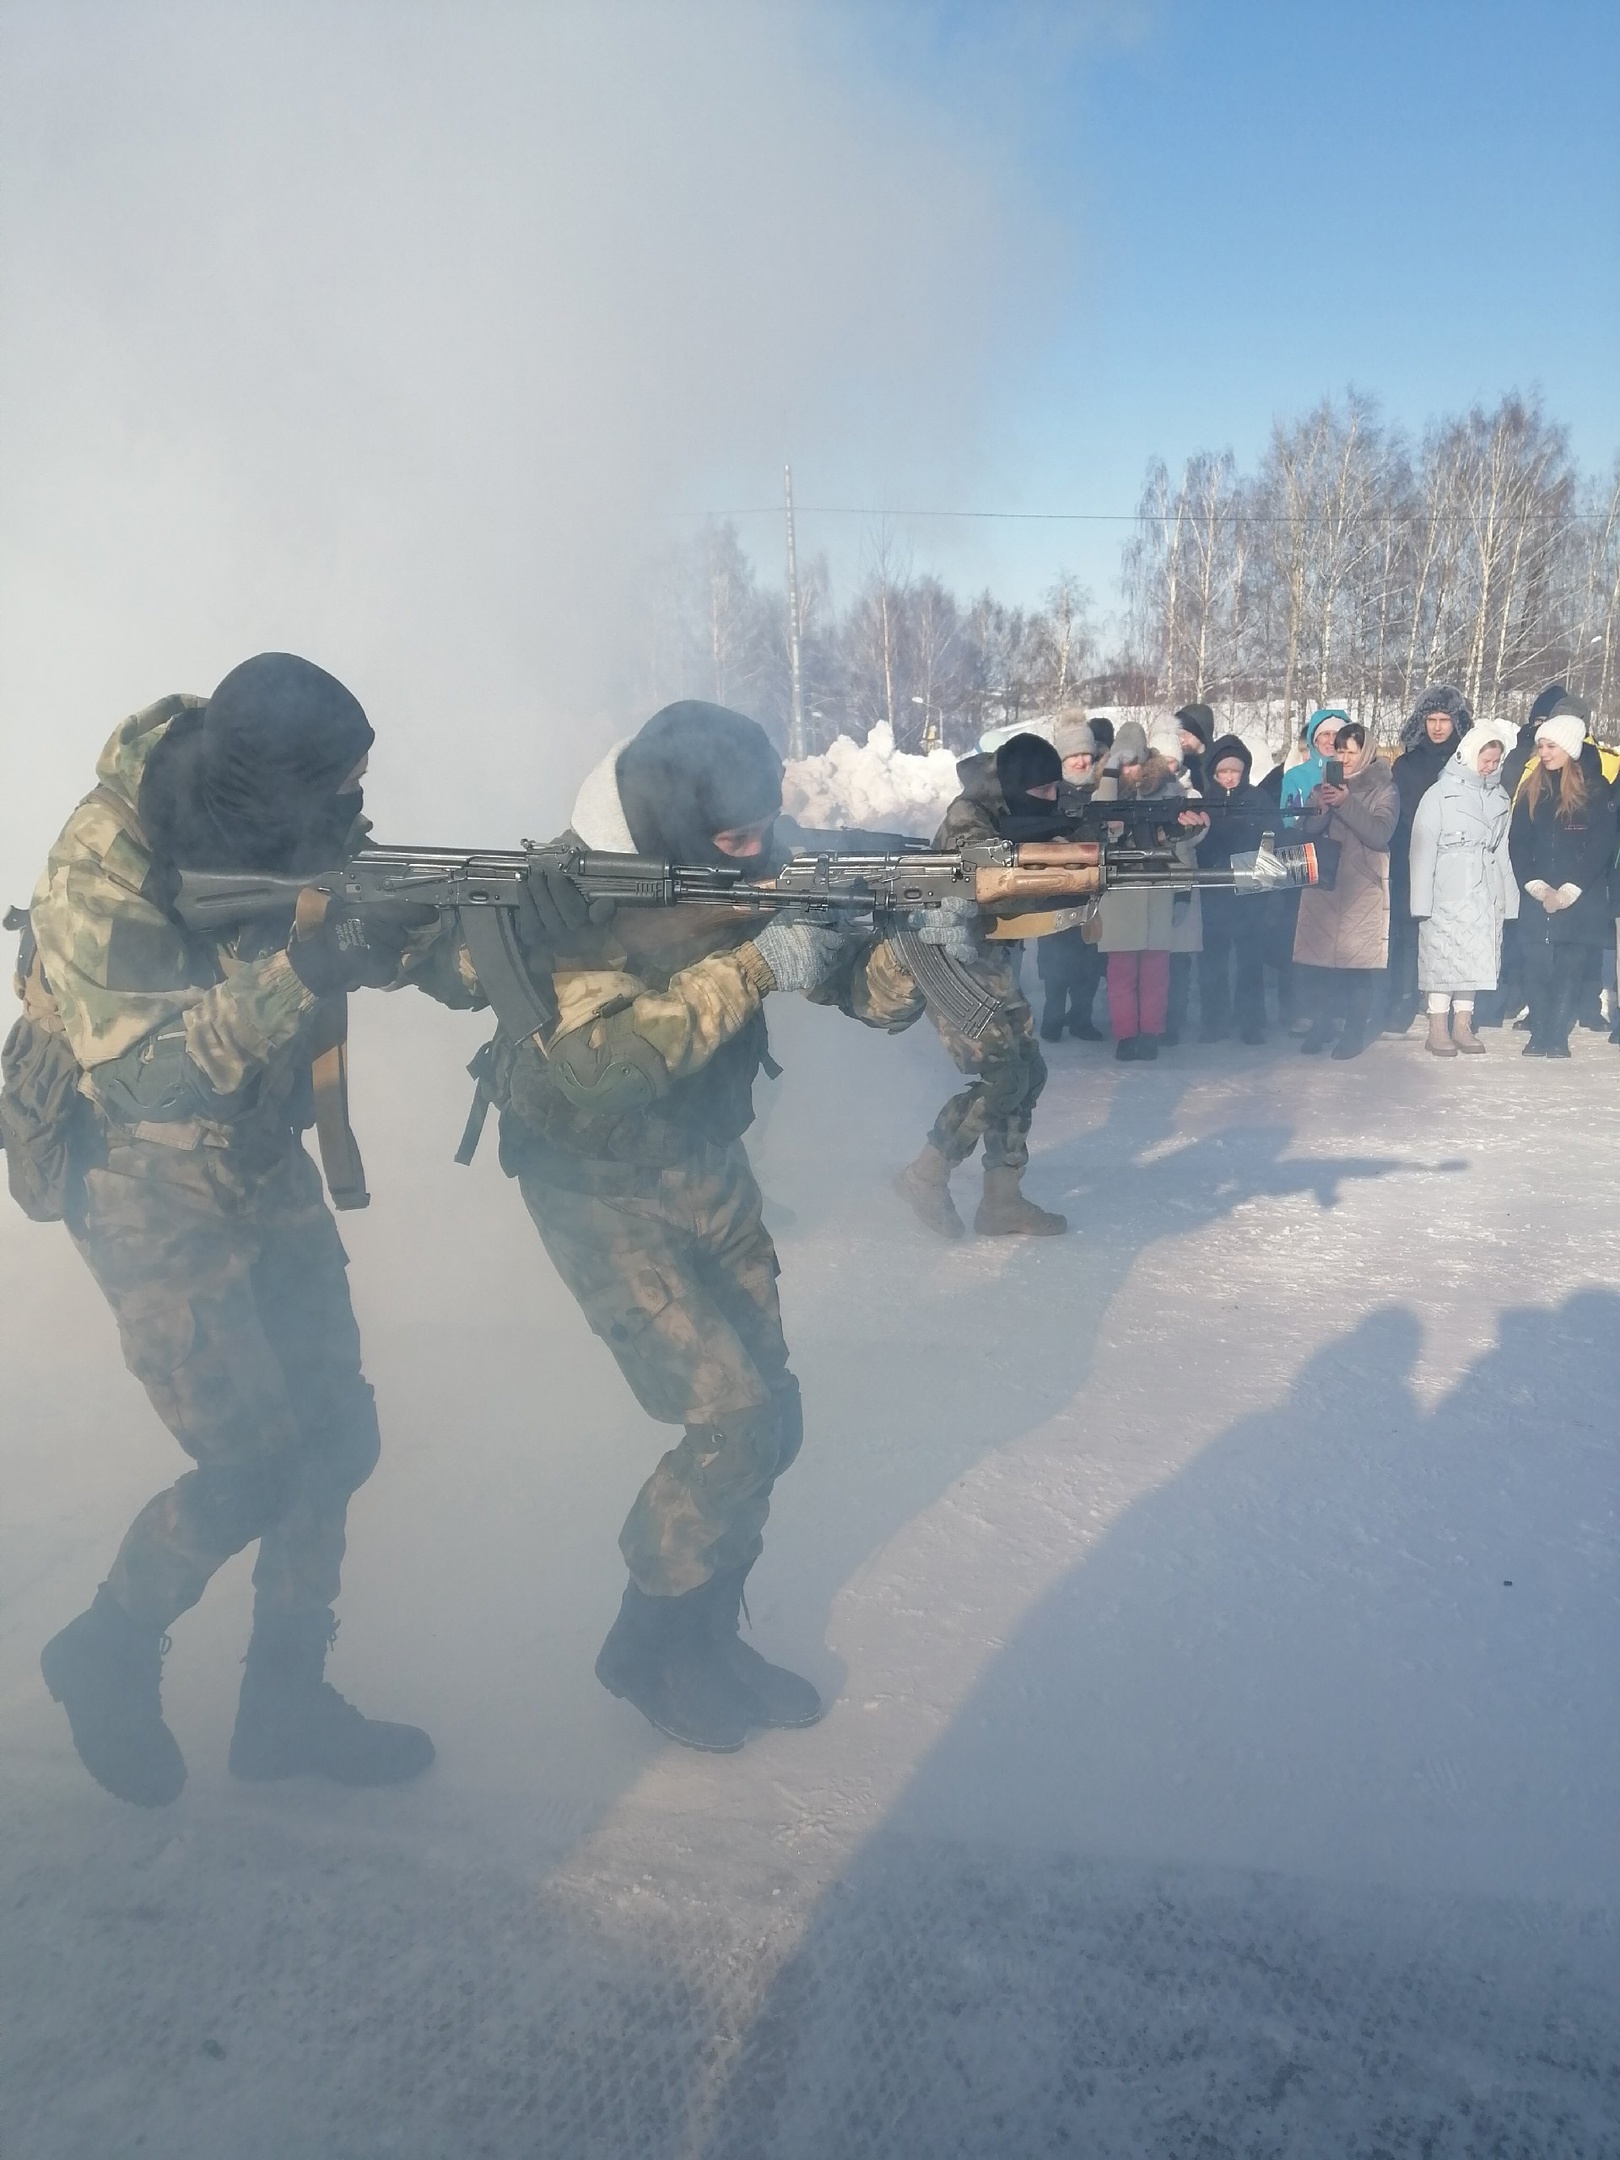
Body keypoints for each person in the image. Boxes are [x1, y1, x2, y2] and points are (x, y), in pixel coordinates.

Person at [19, 655, 455, 1808]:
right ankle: (106, 1647)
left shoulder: (294, 814)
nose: (351, 815)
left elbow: (366, 919)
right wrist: (302, 967)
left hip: (259, 1163)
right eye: (339, 794)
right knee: (253, 1466)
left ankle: (283, 1703)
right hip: (142, 1182)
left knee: (337, 1433)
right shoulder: (101, 863)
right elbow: (155, 1077)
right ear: (271, 790)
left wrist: (459, 936)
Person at [478, 701, 925, 1753]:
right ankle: (648, 1645)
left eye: (768, 826)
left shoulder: (757, 856)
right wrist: (763, 963)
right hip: (595, 1181)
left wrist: (924, 937)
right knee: (728, 1419)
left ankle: (707, 1637)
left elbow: (876, 995)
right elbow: (599, 1072)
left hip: (707, 1162)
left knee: (771, 1415)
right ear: (675, 820)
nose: (758, 850)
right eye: (733, 837)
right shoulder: (572, 897)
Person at [895, 731, 1068, 1237]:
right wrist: (1054, 857)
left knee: (1028, 1071)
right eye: (1042, 793)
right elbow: (992, 878)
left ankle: (1002, 1200)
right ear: (1016, 786)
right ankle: (925, 1175)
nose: (1053, 800)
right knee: (1004, 1074)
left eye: (1056, 789)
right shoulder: (967, 818)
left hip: (985, 955)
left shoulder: (1031, 798)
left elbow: (1091, 822)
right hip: (941, 952)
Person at [1507, 703, 1617, 1056]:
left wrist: (1571, 889)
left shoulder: (1595, 789)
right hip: (1538, 892)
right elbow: (1517, 842)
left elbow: (1602, 843)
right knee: (1535, 964)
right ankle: (1539, 1031)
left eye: (1551, 746)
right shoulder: (1531, 788)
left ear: (1569, 749)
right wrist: (1535, 885)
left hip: (1578, 895)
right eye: (1540, 746)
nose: (1544, 753)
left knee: (1569, 968)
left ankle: (1556, 1036)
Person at [1094, 721, 1205, 1062]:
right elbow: (1097, 816)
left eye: (1134, 762)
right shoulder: (1107, 788)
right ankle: (1127, 1035)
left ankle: (1152, 1034)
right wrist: (1110, 776)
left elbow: (1187, 843)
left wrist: (1195, 829)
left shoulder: (1168, 789)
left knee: (1157, 973)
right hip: (1120, 896)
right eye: (1123, 763)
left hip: (1159, 891)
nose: (1131, 769)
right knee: (1122, 973)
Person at [1408, 722, 1517, 1055]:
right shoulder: (1440, 794)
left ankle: (1463, 1024)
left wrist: (1508, 898)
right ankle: (1437, 1027)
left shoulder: (1499, 796)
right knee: (1443, 959)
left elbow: (1503, 849)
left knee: (1475, 959)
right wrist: (1420, 901)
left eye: (1496, 761)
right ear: (1469, 754)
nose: (1490, 766)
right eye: (1485, 759)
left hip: (1485, 890)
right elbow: (1422, 848)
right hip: (1448, 887)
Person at [1292, 719, 1398, 1058]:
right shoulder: (1324, 784)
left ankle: (1353, 1032)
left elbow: (1380, 834)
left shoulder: (1385, 787)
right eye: (1340, 751)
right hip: (1325, 880)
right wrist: (1320, 808)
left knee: (1357, 965)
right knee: (1318, 963)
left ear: (1366, 752)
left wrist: (1346, 803)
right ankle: (1321, 1025)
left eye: (1352, 751)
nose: (1346, 758)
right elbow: (1306, 828)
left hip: (1362, 884)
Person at [1384, 686, 1472, 1035]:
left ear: (1457, 722)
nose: (1437, 727)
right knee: (1408, 936)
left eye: (1444, 720)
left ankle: (1450, 1006)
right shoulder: (1406, 764)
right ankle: (1403, 1000)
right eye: (1431, 719)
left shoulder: (1465, 762)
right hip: (1413, 856)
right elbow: (1399, 813)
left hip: (1455, 860)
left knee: (1452, 934)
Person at [1195, 734, 1271, 1043]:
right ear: (1213, 772)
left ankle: (1251, 1021)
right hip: (1213, 887)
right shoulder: (1203, 803)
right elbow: (1196, 846)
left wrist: (1267, 889)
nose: (1229, 776)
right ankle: (1213, 1021)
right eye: (1223, 771)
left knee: (1250, 959)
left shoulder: (1258, 799)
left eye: (1235, 771)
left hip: (1250, 887)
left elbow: (1270, 841)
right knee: (1212, 958)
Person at [1034, 711, 1104, 1042]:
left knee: (1089, 959)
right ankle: (1052, 1018)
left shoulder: (1101, 790)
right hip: (1056, 891)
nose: (1080, 761)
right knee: (1055, 963)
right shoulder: (1050, 794)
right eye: (1073, 754)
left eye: (1085, 754)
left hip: (1093, 890)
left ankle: (1082, 1018)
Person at [1174, 702, 1215, 796]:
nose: (1181, 740)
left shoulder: (1218, 762)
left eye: (1184, 735)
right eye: (1177, 734)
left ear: (1200, 734)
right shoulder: (1178, 762)